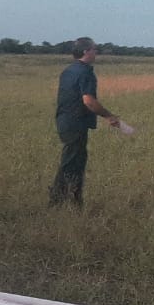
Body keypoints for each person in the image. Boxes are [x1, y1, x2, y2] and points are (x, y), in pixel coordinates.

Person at [48, 37, 121, 208]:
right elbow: (88, 101)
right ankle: (66, 202)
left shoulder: (68, 71)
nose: (96, 52)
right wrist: (109, 116)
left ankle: (65, 200)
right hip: (76, 123)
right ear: (86, 51)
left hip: (64, 121)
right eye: (94, 49)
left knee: (71, 161)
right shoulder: (86, 72)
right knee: (74, 163)